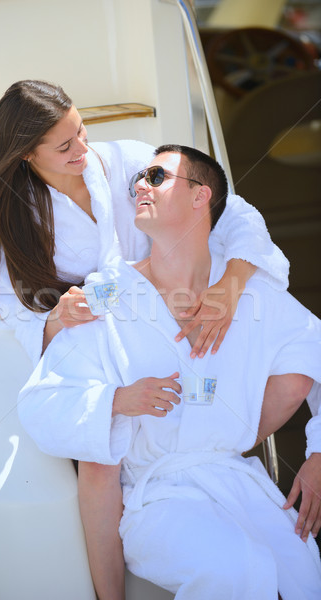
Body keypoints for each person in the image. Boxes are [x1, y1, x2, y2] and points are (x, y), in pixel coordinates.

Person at [18, 145, 321, 600]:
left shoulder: (250, 296)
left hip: (237, 486)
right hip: (156, 501)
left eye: (157, 176)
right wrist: (117, 401)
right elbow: (41, 402)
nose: (141, 184)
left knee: (300, 573)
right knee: (233, 570)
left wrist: (318, 454)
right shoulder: (105, 298)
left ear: (201, 196)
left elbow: (310, 352)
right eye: (139, 176)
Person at [0, 79, 290, 369]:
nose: (82, 148)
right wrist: (58, 317)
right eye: (65, 147)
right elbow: (10, 313)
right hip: (103, 354)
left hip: (182, 319)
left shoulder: (131, 162)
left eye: (81, 130)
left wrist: (230, 285)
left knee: (274, 330)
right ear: (27, 154)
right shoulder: (11, 218)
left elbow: (235, 214)